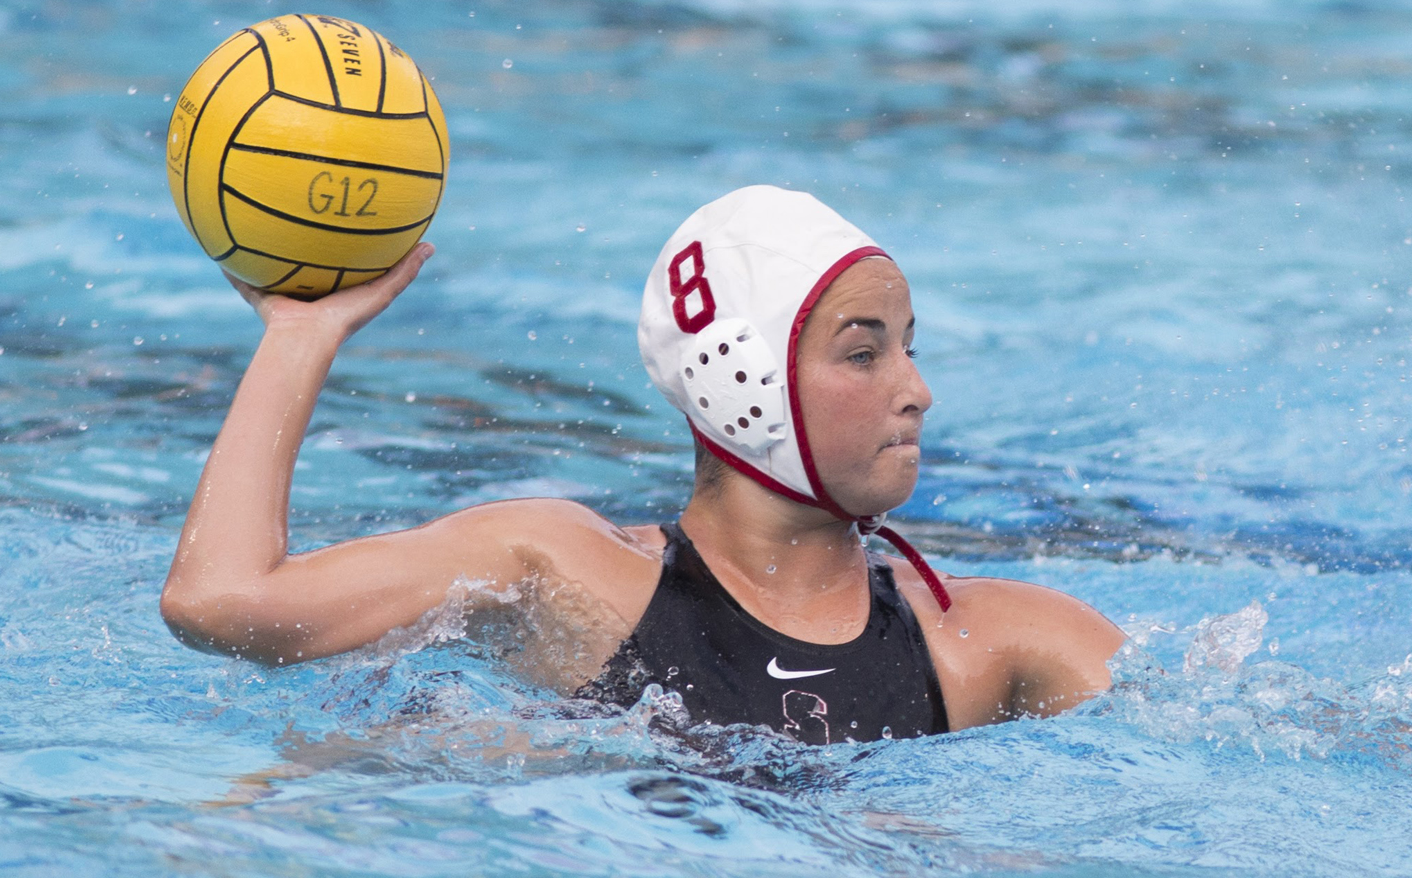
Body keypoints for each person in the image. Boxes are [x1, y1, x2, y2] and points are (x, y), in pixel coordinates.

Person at [161, 185, 1125, 744]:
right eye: (864, 352)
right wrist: (301, 338)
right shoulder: (562, 574)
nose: (918, 390)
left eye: (911, 346)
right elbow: (220, 604)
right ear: (741, 379)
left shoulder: (993, 643)